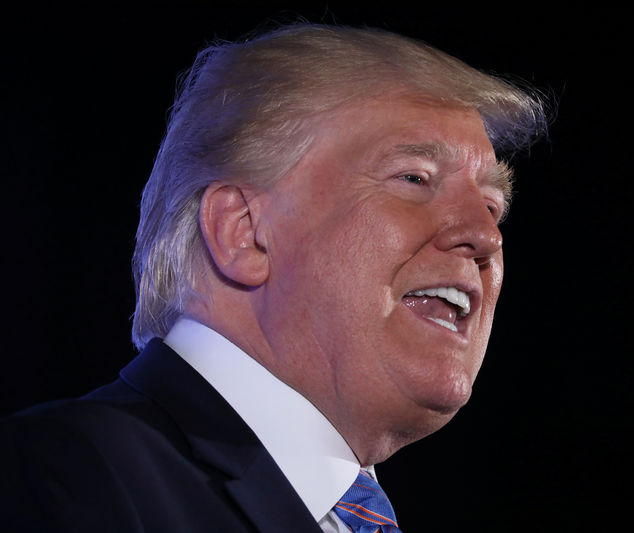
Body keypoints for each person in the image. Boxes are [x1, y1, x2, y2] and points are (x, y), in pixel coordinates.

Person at [1, 23, 546, 532]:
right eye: (413, 178)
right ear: (244, 231)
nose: (487, 236)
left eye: (494, 206)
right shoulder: (58, 476)